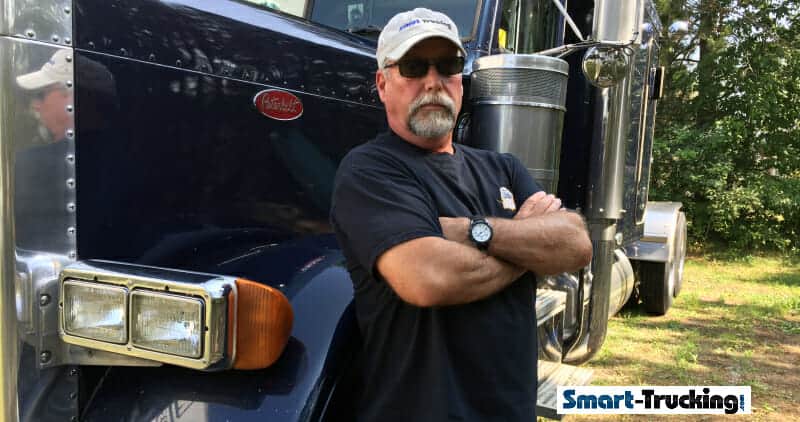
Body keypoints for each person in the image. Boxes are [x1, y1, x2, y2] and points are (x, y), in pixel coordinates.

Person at [330, 8, 593, 421]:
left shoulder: (503, 166)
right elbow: (430, 278)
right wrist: (527, 244)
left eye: (448, 66)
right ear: (383, 84)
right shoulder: (369, 171)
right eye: (414, 67)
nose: (432, 81)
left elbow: (576, 243)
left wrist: (476, 231)